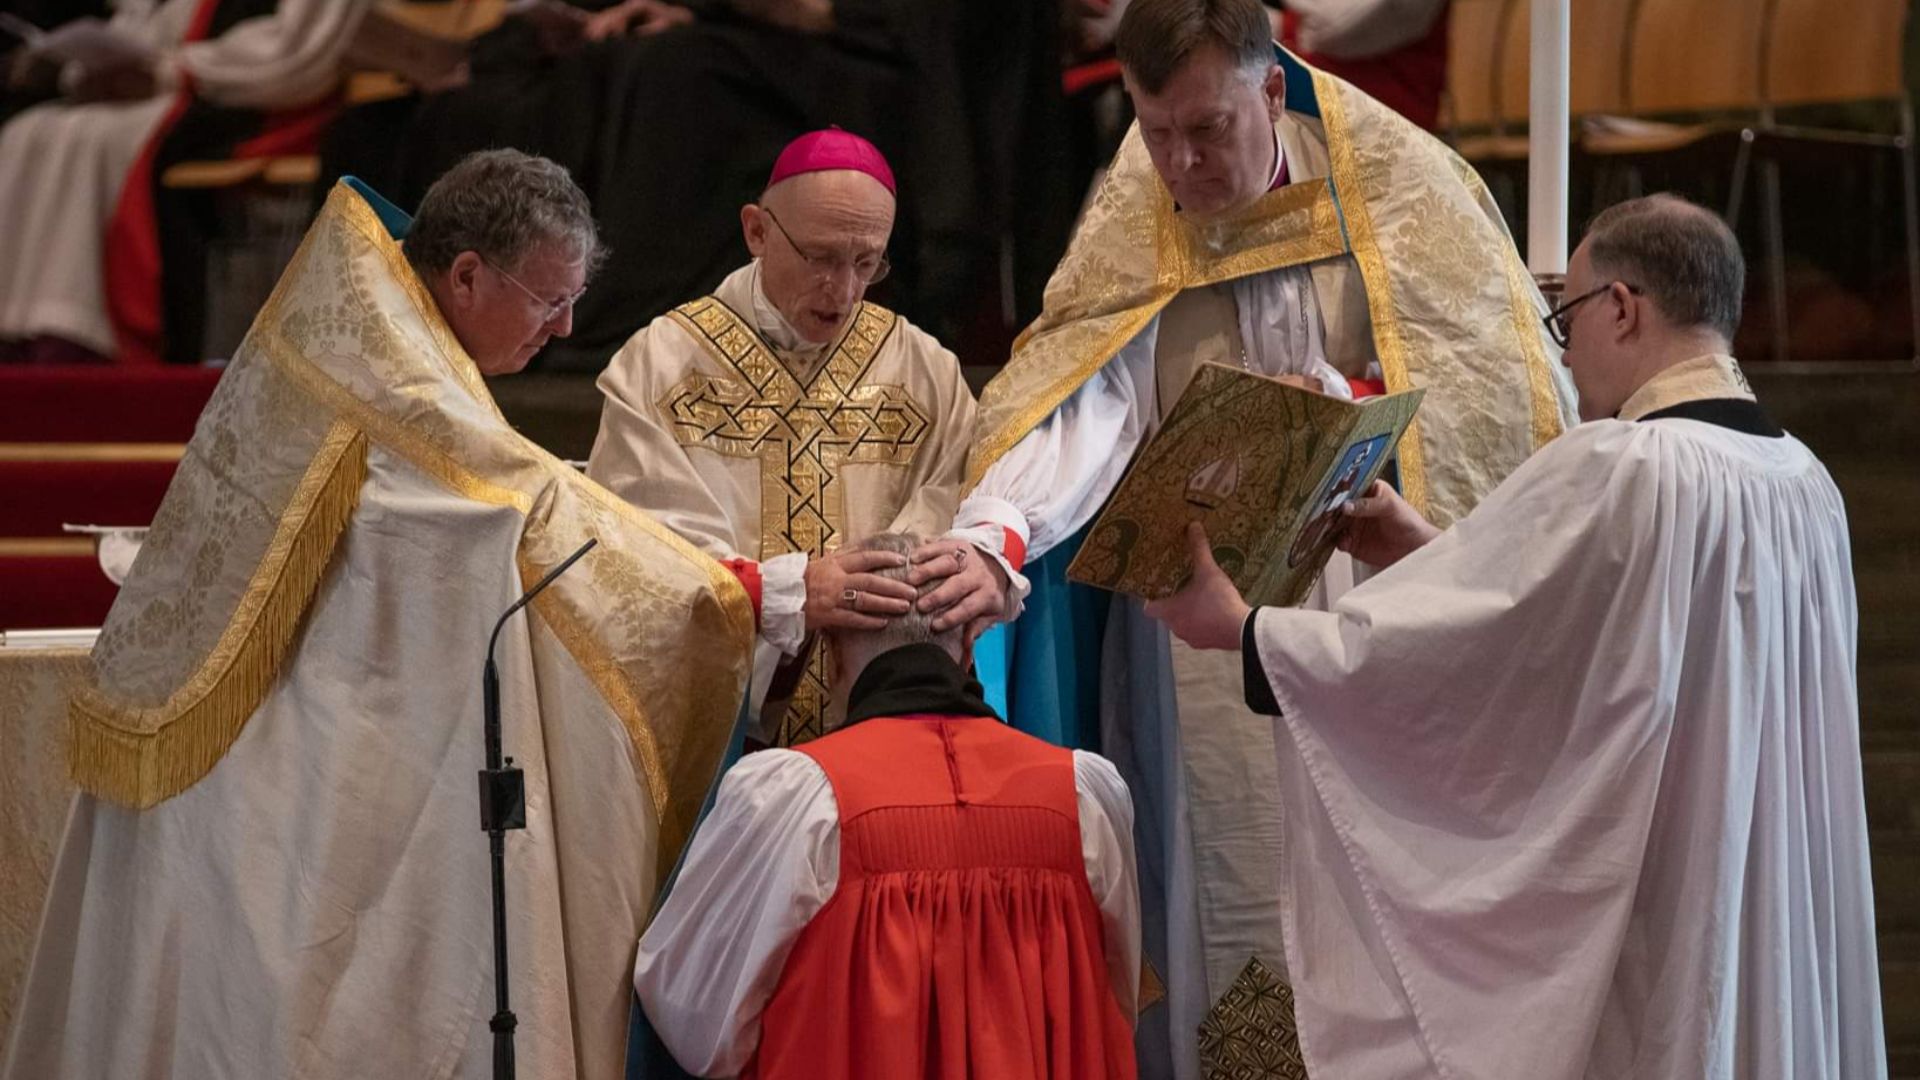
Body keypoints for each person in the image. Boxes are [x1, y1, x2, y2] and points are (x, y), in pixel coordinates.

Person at [2, 151, 755, 1079]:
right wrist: (742, 596)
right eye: (546, 300)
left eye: (573, 302)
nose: (563, 330)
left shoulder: (388, 312)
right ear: (468, 272)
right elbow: (505, 502)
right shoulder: (391, 367)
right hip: (266, 744)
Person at [936, 0, 1575, 1072]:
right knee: (1226, 881)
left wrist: (1342, 399)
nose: (1181, 163)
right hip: (1197, 637)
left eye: (1207, 129)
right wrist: (999, 529)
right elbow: (1087, 402)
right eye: (1155, 133)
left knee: (1373, 895)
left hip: (1369, 611)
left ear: (1272, 89)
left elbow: (1491, 398)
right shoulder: (1138, 215)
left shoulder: (1400, 192)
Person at [1146, 194, 1886, 1079]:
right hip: (1769, 890)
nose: (1566, 355)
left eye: (1567, 317)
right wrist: (1427, 551)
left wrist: (1249, 632)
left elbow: (1507, 668)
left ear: (1622, 307)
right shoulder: (1805, 485)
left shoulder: (1626, 465)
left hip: (1669, 893)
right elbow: (1582, 638)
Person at [635, 532, 1140, 1079]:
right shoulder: (1086, 793)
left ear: (831, 661)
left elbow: (694, 1020)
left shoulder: (797, 799)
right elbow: (1114, 993)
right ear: (969, 647)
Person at [588, 129, 998, 748]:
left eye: (867, 263)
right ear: (757, 231)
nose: (845, 290)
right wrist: (783, 596)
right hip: (718, 736)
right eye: (822, 258)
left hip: (878, 730)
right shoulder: (661, 365)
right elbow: (636, 552)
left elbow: (953, 513)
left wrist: (880, 611)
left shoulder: (926, 371)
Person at [0, 0, 373, 366]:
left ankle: (78, 334)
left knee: (96, 141)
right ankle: (20, 327)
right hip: (173, 90)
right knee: (26, 133)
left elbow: (300, 50)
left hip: (261, 96)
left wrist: (173, 72)